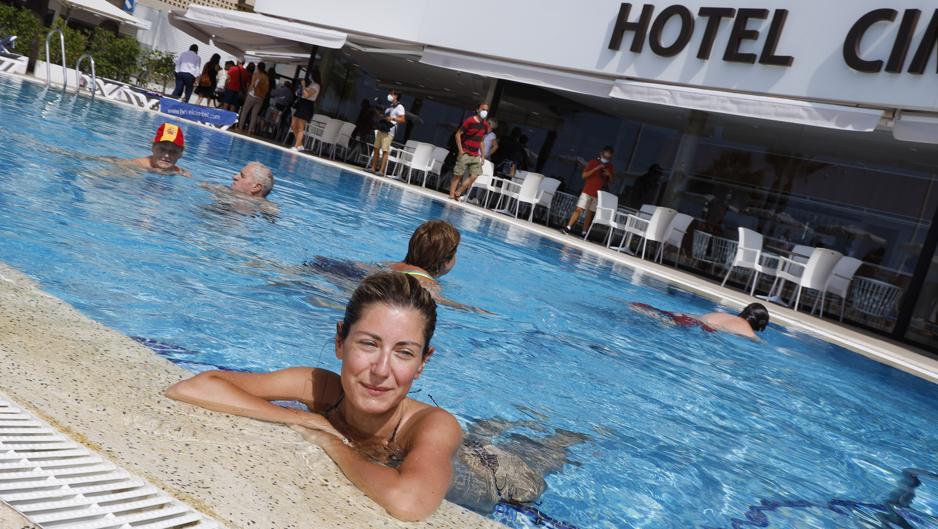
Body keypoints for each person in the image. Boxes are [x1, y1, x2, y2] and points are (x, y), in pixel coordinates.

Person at [165, 272, 463, 521]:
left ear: (423, 362)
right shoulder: (319, 389)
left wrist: (333, 443)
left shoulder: (433, 426)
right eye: (369, 344)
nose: (382, 370)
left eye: (404, 353)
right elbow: (193, 387)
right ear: (340, 342)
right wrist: (308, 420)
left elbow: (409, 502)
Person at [630, 301, 770, 339]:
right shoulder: (747, 329)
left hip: (685, 317)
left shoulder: (725, 315)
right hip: (692, 326)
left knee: (655, 314)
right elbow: (757, 342)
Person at [562, 146, 615, 235]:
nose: (606, 159)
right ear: (601, 154)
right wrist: (596, 169)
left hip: (598, 194)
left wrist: (609, 174)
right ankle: (568, 227)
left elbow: (612, 181)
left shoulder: (610, 167)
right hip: (587, 191)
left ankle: (584, 232)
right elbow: (584, 176)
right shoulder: (593, 162)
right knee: (579, 209)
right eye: (605, 157)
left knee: (590, 213)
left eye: (608, 158)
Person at [449, 103, 491, 201]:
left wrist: (483, 156)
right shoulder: (470, 121)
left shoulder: (485, 125)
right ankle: (451, 194)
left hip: (476, 154)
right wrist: (460, 150)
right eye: (483, 109)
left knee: (475, 175)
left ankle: (459, 191)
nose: (485, 111)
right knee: (458, 174)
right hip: (465, 152)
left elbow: (481, 141)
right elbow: (458, 134)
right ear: (478, 110)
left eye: (487, 110)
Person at [125, 123, 190, 176]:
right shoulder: (137, 164)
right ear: (153, 147)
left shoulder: (179, 172)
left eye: (173, 151)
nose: (166, 155)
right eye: (162, 149)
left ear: (180, 154)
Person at [370, 90, 406, 176]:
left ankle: (381, 171)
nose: (389, 95)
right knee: (376, 148)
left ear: (396, 96)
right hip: (382, 128)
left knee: (385, 151)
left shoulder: (400, 107)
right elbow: (386, 115)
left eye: (391, 94)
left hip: (389, 131)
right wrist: (381, 115)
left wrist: (393, 119)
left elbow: (402, 119)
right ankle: (373, 168)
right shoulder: (391, 106)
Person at [290, 69, 321, 151]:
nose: (309, 76)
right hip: (302, 104)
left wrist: (303, 86)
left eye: (310, 74)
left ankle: (296, 147)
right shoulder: (312, 84)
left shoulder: (316, 85)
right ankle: (300, 145)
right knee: (293, 125)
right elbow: (303, 94)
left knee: (300, 127)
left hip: (307, 105)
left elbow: (307, 95)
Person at [237, 62, 270, 134]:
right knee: (254, 115)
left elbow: (252, 85)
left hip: (252, 96)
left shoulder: (256, 74)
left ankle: (240, 127)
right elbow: (267, 89)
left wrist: (247, 93)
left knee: (245, 112)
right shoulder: (266, 78)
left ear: (257, 67)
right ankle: (250, 130)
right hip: (260, 98)